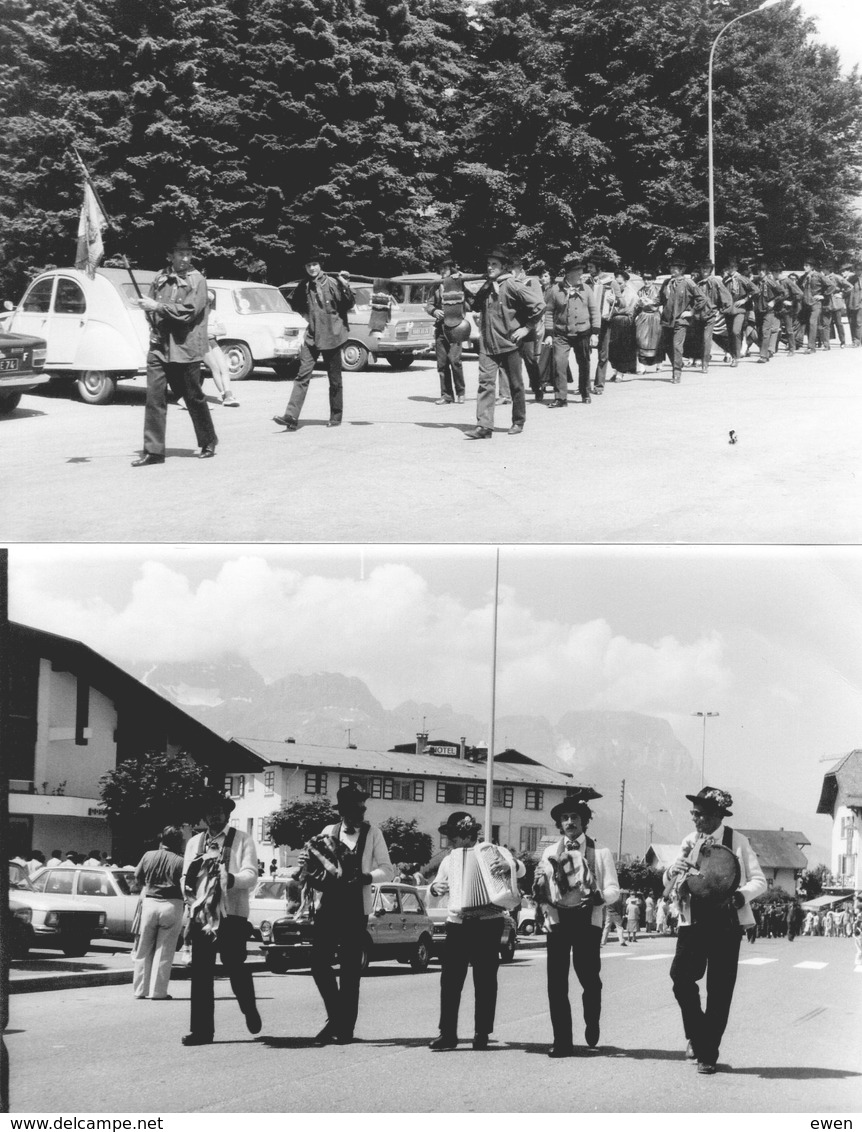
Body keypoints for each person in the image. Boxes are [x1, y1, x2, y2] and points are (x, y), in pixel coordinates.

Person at [664, 786, 766, 1075]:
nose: (695, 819)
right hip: (693, 918)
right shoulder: (689, 840)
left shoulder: (738, 841)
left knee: (719, 990)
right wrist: (673, 871)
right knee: (680, 978)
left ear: (717, 815)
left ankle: (708, 1053)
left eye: (700, 814)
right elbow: (671, 875)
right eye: (693, 814)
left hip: (726, 921)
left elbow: (760, 880)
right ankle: (697, 1034)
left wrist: (740, 896)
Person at [533, 790, 620, 1057]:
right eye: (565, 818)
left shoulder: (600, 852)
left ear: (584, 822)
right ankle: (562, 1041)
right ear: (559, 824)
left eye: (574, 817)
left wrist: (599, 897)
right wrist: (541, 899)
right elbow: (543, 886)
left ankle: (592, 1019)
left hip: (588, 921)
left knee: (589, 979)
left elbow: (614, 889)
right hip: (558, 920)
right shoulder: (549, 851)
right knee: (556, 982)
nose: (569, 822)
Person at [305, 781, 393, 1045]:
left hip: (356, 907)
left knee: (350, 970)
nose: (362, 811)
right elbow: (315, 861)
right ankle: (337, 1017)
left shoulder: (373, 833)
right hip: (328, 905)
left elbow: (388, 870)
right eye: (356, 806)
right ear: (342, 810)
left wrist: (366, 877)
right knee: (319, 964)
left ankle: (344, 1030)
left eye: (363, 806)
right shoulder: (327, 831)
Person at [427, 812, 519, 1051]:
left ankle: (482, 1033)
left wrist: (510, 865)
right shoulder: (449, 860)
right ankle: (447, 1033)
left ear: (468, 835)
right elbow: (434, 889)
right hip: (457, 923)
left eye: (453, 837)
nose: (450, 842)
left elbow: (520, 871)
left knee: (485, 980)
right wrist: (435, 888)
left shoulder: (493, 851)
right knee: (450, 981)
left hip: (489, 921)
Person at [180, 794, 261, 1045]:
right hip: (202, 916)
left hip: (232, 914)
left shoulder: (242, 839)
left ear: (227, 814)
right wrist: (191, 897)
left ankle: (249, 1007)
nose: (215, 816)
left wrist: (232, 879)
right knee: (201, 972)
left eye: (219, 811)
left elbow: (251, 875)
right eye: (210, 812)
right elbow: (186, 876)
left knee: (235, 966)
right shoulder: (195, 842)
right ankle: (202, 1031)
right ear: (204, 817)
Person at [132, 229, 217, 465]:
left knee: (193, 397)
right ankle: (154, 451)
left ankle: (208, 440)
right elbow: (151, 306)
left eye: (188, 253)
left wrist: (156, 307)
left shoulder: (197, 280)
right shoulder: (160, 277)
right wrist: (147, 309)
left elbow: (188, 313)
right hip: (159, 347)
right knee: (154, 398)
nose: (186, 258)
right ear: (170, 256)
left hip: (185, 347)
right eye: (181, 253)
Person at [464, 247, 544, 439]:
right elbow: (473, 305)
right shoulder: (486, 286)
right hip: (488, 345)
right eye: (488, 264)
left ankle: (518, 421)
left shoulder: (512, 285)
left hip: (510, 343)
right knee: (485, 384)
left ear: (503, 267)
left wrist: (525, 329)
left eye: (494, 265)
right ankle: (484, 426)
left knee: (516, 385)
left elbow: (539, 305)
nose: (490, 268)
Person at [272, 252, 354, 430]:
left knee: (334, 379)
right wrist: (308, 319)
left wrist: (345, 286)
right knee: (302, 375)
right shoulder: (304, 285)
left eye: (315, 264)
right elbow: (296, 304)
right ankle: (291, 417)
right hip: (312, 337)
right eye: (309, 265)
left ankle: (336, 416)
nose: (312, 268)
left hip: (332, 335)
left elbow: (348, 304)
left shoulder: (332, 283)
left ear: (320, 265)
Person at [133, 826, 185, 1000]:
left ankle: (140, 990)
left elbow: (137, 876)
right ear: (178, 842)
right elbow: (186, 885)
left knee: (143, 949)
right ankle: (158, 991)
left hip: (150, 902)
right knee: (164, 950)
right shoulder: (180, 861)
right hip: (172, 904)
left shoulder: (148, 855)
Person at [543, 254, 600, 407]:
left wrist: (595, 333)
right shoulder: (555, 291)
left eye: (582, 272)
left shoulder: (586, 289)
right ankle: (561, 398)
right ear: (569, 274)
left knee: (584, 363)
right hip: (562, 334)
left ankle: (585, 392)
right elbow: (548, 313)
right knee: (559, 363)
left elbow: (594, 311)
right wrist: (548, 334)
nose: (582, 275)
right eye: (579, 272)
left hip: (583, 332)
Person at [425, 255, 467, 405]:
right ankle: (446, 395)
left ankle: (461, 392)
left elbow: (470, 299)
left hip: (456, 326)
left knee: (455, 361)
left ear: (451, 269)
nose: (442, 271)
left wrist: (462, 280)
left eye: (445, 268)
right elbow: (429, 305)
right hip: (441, 327)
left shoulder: (459, 282)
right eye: (440, 268)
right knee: (442, 363)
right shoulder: (436, 286)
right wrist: (434, 311)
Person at [658, 257, 706, 383]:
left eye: (676, 268)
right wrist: (649, 303)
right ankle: (677, 363)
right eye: (671, 267)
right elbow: (659, 299)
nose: (673, 270)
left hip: (680, 321)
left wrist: (691, 312)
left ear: (682, 269)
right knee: (668, 346)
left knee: (677, 346)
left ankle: (677, 373)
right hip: (667, 320)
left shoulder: (688, 283)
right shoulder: (666, 283)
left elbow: (702, 298)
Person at [692, 259, 733, 373]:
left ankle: (705, 363)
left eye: (707, 268)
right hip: (697, 315)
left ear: (711, 269)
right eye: (702, 267)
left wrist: (722, 311)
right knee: (698, 338)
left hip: (710, 315)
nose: (704, 270)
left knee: (707, 339)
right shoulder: (695, 282)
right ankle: (698, 358)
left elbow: (727, 298)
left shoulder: (715, 282)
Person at [203, 289, 239, 406]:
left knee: (224, 367)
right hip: (202, 343)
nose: (206, 303)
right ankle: (224, 394)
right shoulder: (197, 315)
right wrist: (211, 331)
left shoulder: (214, 314)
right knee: (215, 367)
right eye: (204, 301)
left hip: (212, 341)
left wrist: (210, 331)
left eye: (208, 301)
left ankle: (228, 393)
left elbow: (223, 330)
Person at [722, 258, 756, 367]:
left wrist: (745, 299)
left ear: (736, 268)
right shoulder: (725, 280)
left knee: (736, 331)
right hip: (728, 310)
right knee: (731, 334)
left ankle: (736, 357)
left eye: (732, 267)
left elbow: (755, 289)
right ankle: (732, 355)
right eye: (728, 267)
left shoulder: (742, 279)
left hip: (740, 310)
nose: (730, 269)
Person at [607, 270, 639, 380]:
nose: (618, 286)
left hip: (624, 322)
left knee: (622, 348)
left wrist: (614, 303)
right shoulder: (612, 292)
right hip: (613, 322)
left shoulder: (630, 293)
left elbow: (626, 308)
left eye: (620, 283)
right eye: (616, 283)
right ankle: (615, 370)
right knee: (611, 348)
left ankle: (620, 372)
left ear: (625, 282)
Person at [751, 261, 783, 363]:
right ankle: (765, 352)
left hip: (768, 311)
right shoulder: (755, 282)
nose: (761, 272)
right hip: (758, 310)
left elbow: (782, 293)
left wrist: (774, 301)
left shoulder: (770, 282)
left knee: (766, 332)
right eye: (759, 270)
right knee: (760, 333)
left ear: (766, 271)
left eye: (763, 270)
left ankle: (763, 356)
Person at [798, 257, 830, 354]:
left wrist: (823, 295)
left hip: (816, 304)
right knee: (809, 324)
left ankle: (811, 347)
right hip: (806, 304)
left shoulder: (818, 276)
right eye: (804, 265)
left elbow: (831, 285)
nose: (804, 267)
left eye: (807, 266)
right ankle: (815, 343)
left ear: (812, 267)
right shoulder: (803, 277)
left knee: (812, 323)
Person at [635, 272, 663, 371]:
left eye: (649, 279)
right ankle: (642, 366)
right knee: (640, 340)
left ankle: (659, 363)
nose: (647, 281)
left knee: (656, 340)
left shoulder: (658, 290)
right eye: (645, 279)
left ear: (653, 280)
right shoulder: (640, 291)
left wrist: (652, 302)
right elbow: (637, 305)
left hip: (655, 317)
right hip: (643, 316)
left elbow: (661, 301)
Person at [843, 264, 861, 347]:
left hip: (860, 304)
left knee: (858, 322)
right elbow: (846, 289)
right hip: (851, 303)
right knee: (851, 322)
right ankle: (855, 340)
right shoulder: (852, 278)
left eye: (859, 270)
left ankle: (857, 341)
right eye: (856, 270)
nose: (857, 271)